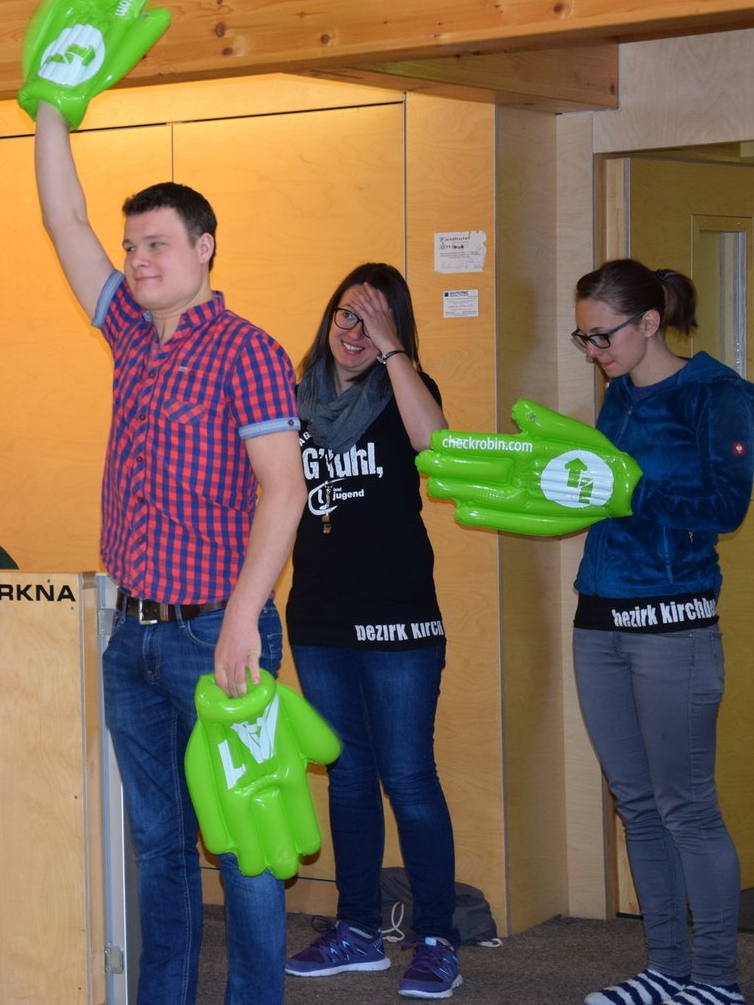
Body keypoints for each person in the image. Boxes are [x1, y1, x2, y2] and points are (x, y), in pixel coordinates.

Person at [34, 96, 306, 1005]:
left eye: (157, 243)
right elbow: (64, 220)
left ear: (205, 248)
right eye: (131, 246)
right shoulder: (127, 333)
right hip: (133, 637)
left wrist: (242, 623)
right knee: (160, 848)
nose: (138, 260)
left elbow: (285, 490)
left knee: (243, 846)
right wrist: (50, 108)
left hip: (216, 635)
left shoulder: (247, 351)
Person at [571, 260, 752, 1005]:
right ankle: (667, 970)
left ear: (649, 323)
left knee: (686, 807)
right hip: (599, 618)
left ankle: (715, 980)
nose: (593, 351)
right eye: (583, 337)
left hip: (674, 623)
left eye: (602, 335)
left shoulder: (718, 393)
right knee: (636, 804)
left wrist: (627, 489)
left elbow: (726, 506)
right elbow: (602, 496)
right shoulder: (617, 393)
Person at [279, 264, 461, 999]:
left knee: (408, 776)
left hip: (400, 616)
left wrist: (394, 352)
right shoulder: (294, 398)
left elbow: (438, 449)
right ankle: (356, 929)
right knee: (348, 776)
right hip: (319, 618)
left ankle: (437, 938)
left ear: (396, 327)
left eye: (374, 318)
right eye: (345, 316)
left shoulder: (406, 387)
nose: (354, 332)